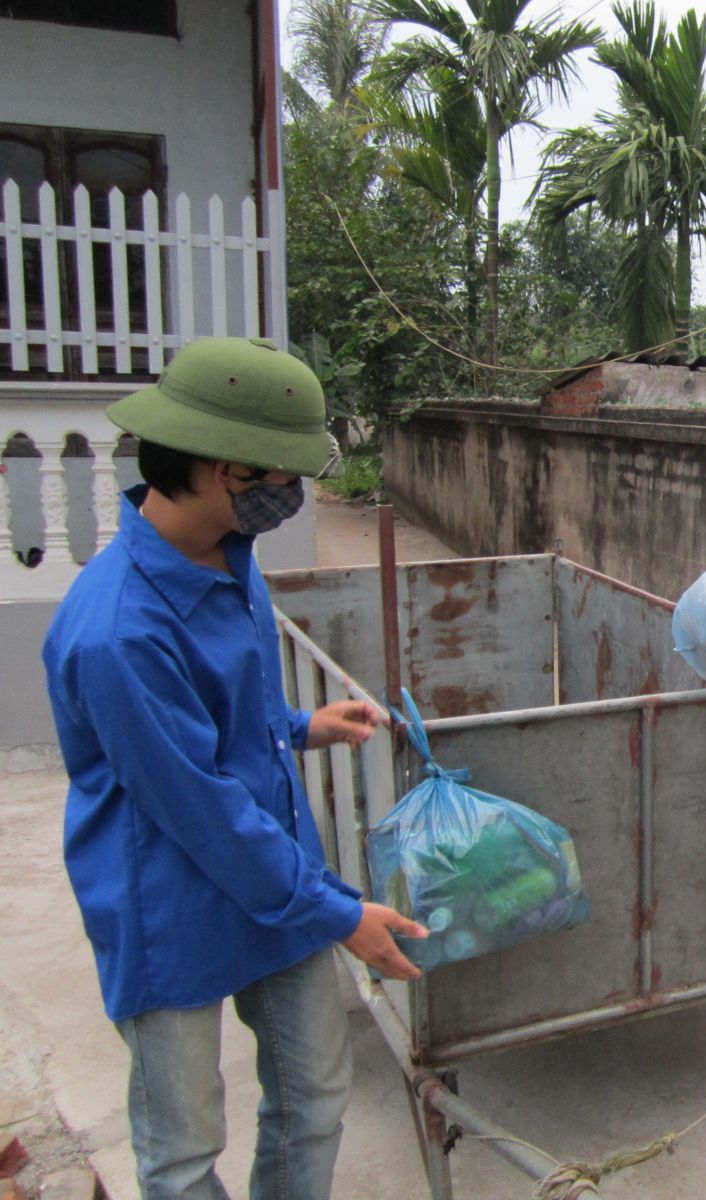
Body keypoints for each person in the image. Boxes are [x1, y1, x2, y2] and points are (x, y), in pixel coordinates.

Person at [41, 337, 428, 1200]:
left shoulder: (227, 556)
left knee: (315, 1098)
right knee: (182, 1149)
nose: (293, 496)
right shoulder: (120, 633)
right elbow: (200, 806)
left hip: (272, 881)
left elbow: (223, 722)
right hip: (172, 902)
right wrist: (339, 914)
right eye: (282, 476)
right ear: (226, 471)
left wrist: (298, 727)